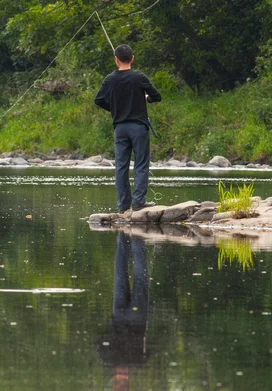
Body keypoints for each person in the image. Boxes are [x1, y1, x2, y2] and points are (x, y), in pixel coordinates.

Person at [94, 44, 162, 212]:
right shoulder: (139, 77)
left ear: (116, 60)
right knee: (140, 163)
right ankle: (138, 202)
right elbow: (157, 96)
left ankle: (124, 205)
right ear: (132, 58)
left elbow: (99, 100)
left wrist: (115, 109)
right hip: (138, 127)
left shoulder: (110, 79)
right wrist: (146, 98)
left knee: (121, 166)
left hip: (120, 128)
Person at [95, 231, 150, 391]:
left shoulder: (138, 362)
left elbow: (152, 349)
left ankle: (137, 238)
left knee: (140, 277)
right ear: (115, 383)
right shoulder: (108, 360)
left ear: (127, 384)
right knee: (120, 273)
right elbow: (98, 342)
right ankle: (123, 235)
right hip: (118, 317)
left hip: (138, 319)